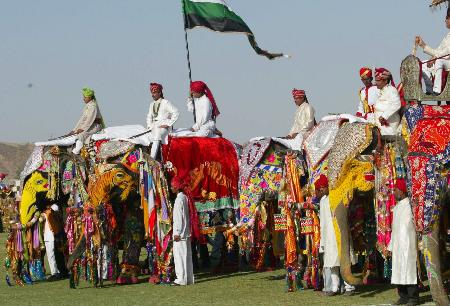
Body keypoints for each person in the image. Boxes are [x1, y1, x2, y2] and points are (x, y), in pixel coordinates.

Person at [316, 174, 355, 296]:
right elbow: (322, 222)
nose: (321, 190)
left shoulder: (337, 195)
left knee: (343, 260)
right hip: (328, 236)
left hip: (339, 233)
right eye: (319, 189)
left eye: (322, 188)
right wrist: (322, 241)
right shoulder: (322, 201)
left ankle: (349, 287)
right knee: (331, 263)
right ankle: (334, 287)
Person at [388, 179, 419, 305]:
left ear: (401, 190)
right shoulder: (396, 208)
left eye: (395, 190)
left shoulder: (411, 206)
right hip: (397, 245)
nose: (393, 192)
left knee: (409, 270)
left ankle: (413, 298)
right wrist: (390, 246)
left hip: (408, 244)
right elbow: (394, 230)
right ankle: (403, 296)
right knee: (399, 270)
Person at [416, 8, 450, 95]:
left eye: (447, 18)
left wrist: (436, 57)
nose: (445, 20)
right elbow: (438, 51)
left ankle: (437, 90)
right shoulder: (448, 35)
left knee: (438, 60)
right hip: (444, 60)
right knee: (422, 64)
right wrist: (423, 45)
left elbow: (447, 51)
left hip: (447, 61)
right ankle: (430, 88)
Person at [171, 172, 195, 286]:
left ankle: (181, 279)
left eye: (172, 186)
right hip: (186, 232)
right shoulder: (185, 197)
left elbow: (178, 218)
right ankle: (188, 278)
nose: (171, 188)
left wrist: (176, 232)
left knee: (179, 257)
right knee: (187, 256)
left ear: (176, 187)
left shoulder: (178, 200)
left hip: (180, 234)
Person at [146, 82, 179, 159]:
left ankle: (152, 159)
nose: (153, 94)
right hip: (154, 125)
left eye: (154, 92)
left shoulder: (165, 102)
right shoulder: (152, 104)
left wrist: (169, 124)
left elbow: (176, 112)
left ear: (160, 93)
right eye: (152, 93)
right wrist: (149, 126)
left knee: (157, 134)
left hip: (164, 127)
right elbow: (149, 117)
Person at [68, 87, 105, 154]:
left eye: (85, 97)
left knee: (82, 134)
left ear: (90, 97)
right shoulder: (87, 106)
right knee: (76, 134)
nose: (83, 99)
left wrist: (82, 129)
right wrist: (74, 130)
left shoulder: (93, 106)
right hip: (89, 125)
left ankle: (77, 150)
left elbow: (90, 119)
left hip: (95, 125)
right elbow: (82, 120)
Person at [372, 68, 401, 137]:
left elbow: (396, 104)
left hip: (388, 126)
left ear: (385, 81)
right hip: (378, 124)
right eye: (376, 81)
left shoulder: (391, 90)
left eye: (378, 81)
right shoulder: (381, 91)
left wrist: (384, 116)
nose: (376, 83)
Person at [43, 204, 68, 281]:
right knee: (52, 255)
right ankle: (57, 272)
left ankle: (56, 273)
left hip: (54, 235)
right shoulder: (46, 212)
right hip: (50, 235)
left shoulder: (52, 209)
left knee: (55, 255)